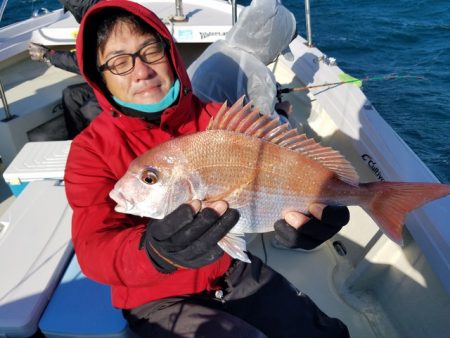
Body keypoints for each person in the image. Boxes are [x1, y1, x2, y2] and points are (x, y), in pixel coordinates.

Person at [64, 1, 350, 337]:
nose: (140, 71)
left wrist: (322, 208)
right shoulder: (90, 150)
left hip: (231, 269)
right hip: (156, 296)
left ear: (169, 52)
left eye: (150, 51)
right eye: (118, 63)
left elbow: (278, 169)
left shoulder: (219, 119)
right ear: (100, 80)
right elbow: (94, 247)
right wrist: (153, 252)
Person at [187, 0, 295, 121]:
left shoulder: (218, 46)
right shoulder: (259, 75)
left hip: (189, 118)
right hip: (213, 133)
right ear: (272, 44)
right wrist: (283, 112)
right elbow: (269, 132)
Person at [28, 0, 101, 139]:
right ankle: (77, 144)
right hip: (104, 82)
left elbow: (88, 63)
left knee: (90, 108)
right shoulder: (92, 16)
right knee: (70, 95)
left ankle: (106, 151)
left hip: (121, 86)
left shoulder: (101, 18)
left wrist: (48, 55)